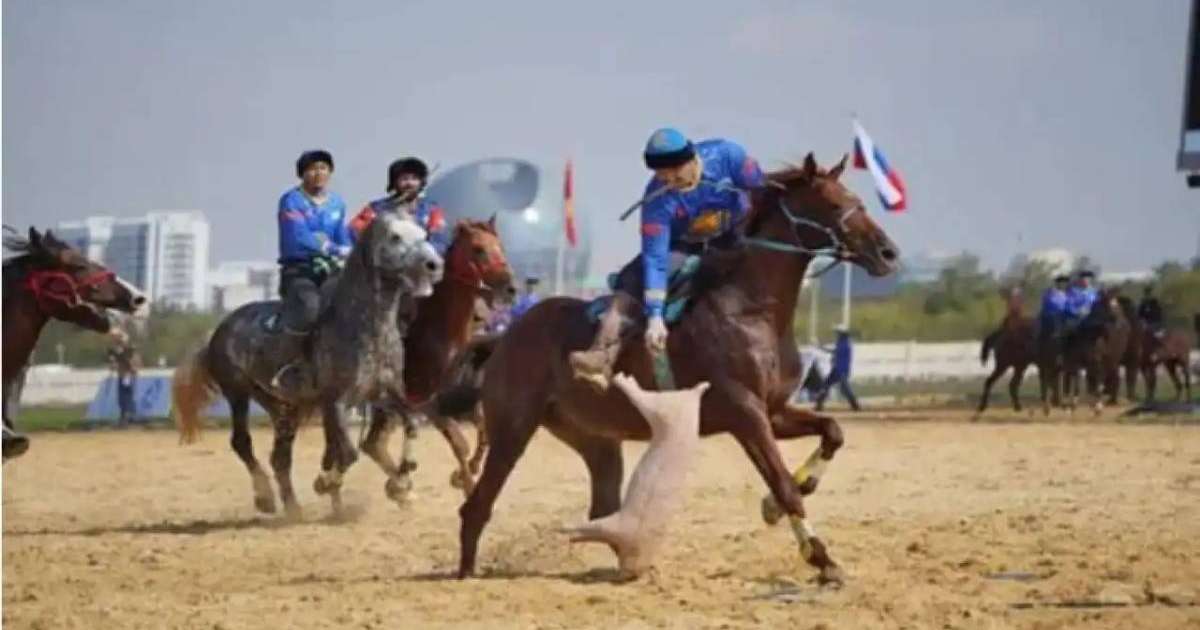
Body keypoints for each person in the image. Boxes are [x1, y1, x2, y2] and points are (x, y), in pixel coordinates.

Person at [569, 127, 765, 387]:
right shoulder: (656, 202)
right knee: (632, 279)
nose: (669, 180)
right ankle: (601, 353)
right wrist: (655, 317)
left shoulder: (729, 155)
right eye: (661, 174)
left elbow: (762, 191)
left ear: (691, 158)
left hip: (736, 234)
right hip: (681, 248)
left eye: (674, 171)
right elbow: (656, 259)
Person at [273, 149, 352, 387]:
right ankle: (290, 364)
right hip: (298, 271)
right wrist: (332, 249)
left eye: (324, 168)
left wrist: (348, 250)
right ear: (303, 174)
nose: (319, 173)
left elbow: (343, 236)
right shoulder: (291, 200)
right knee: (310, 307)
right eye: (313, 169)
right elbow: (299, 235)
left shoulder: (337, 203)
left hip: (330, 271)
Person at [349, 157, 449, 255]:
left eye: (414, 179)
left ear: (421, 182)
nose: (409, 183)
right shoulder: (377, 208)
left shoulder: (431, 209)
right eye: (404, 179)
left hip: (419, 263)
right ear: (394, 182)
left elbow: (439, 240)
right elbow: (353, 231)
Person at [814, 326, 861, 411]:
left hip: (841, 371)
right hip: (837, 370)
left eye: (838, 333)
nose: (837, 335)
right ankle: (819, 405)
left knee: (844, 389)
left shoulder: (845, 344)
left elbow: (834, 351)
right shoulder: (842, 343)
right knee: (826, 386)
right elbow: (835, 354)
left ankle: (855, 406)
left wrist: (821, 347)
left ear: (843, 335)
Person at [106, 328, 141, 426]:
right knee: (123, 396)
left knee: (126, 395)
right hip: (122, 375)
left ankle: (128, 416)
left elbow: (132, 362)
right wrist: (113, 363)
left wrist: (132, 368)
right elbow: (114, 362)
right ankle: (126, 415)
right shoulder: (116, 350)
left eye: (117, 338)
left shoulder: (129, 350)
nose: (115, 340)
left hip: (127, 375)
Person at [1038, 274, 1071, 342]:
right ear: (1058, 283)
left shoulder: (1067, 294)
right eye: (1062, 282)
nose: (1063, 284)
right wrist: (1059, 308)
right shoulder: (1050, 291)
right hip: (1050, 313)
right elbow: (1049, 301)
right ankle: (1056, 334)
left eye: (1065, 283)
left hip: (1063, 314)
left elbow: (1069, 304)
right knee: (1056, 318)